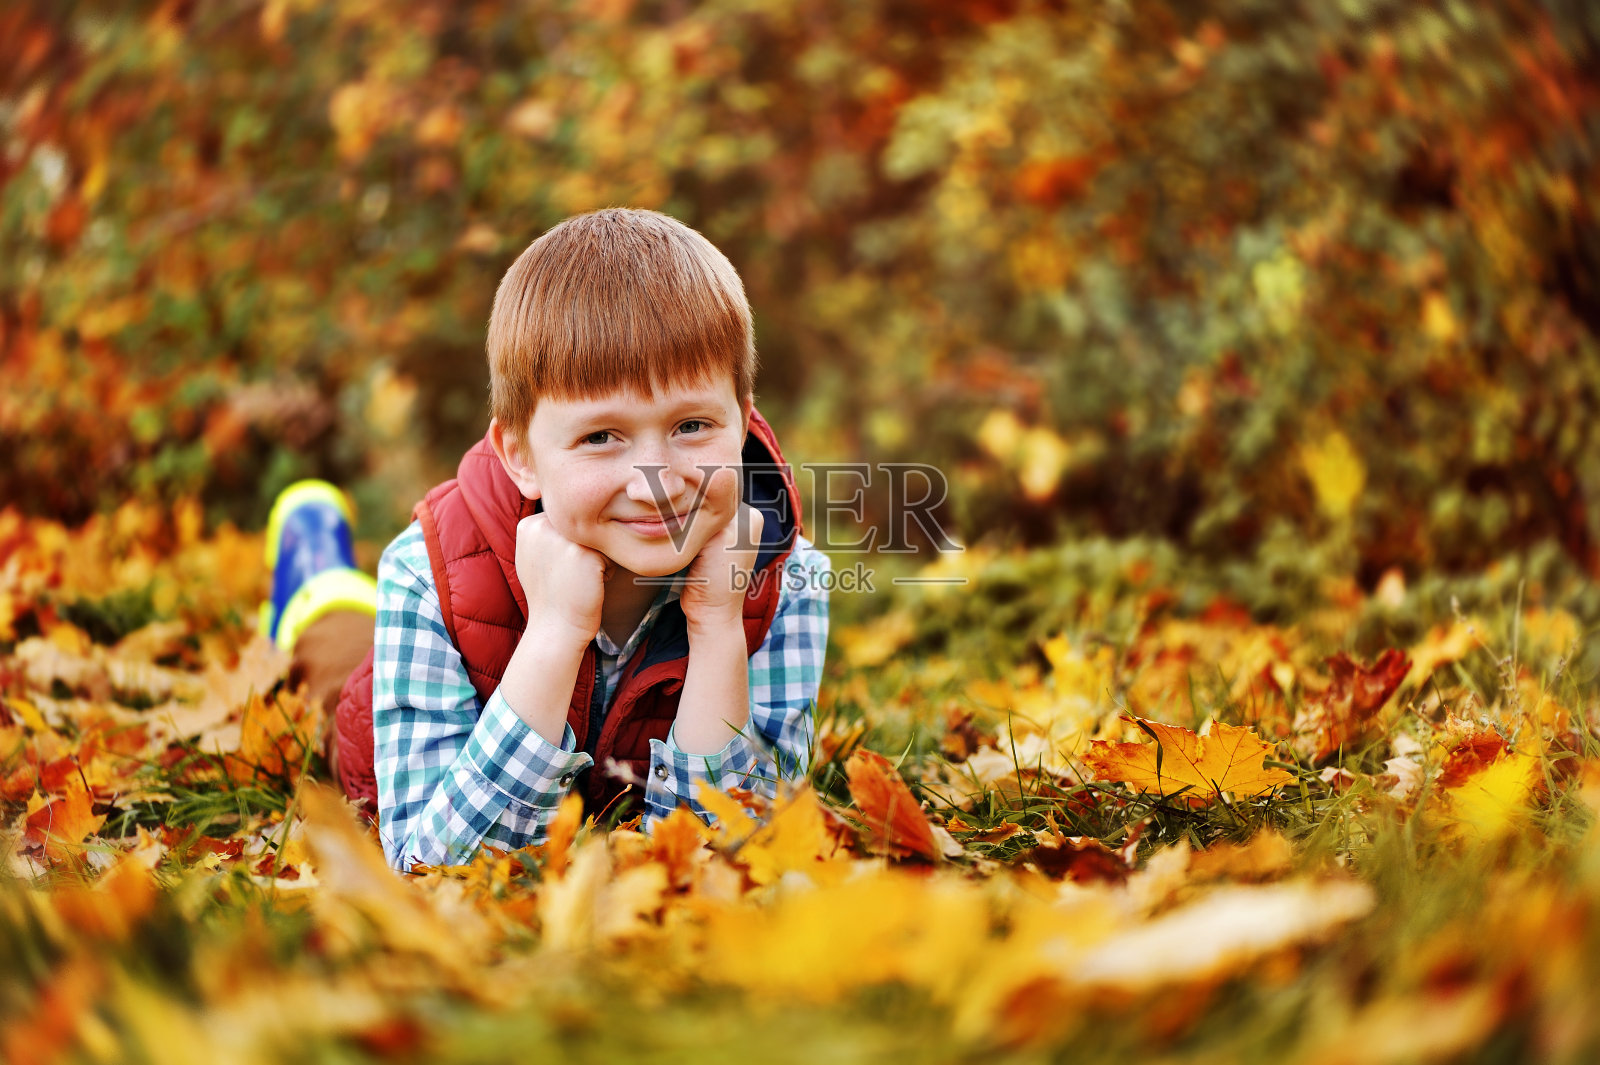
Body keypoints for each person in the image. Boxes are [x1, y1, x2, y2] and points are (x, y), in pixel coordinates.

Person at [261, 209, 830, 873]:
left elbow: (738, 853)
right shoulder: (426, 571)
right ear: (521, 454)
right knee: (333, 654)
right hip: (384, 693)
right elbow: (429, 862)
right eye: (600, 437)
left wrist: (718, 630)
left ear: (743, 418)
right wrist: (555, 634)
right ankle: (314, 564)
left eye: (693, 425)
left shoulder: (784, 578)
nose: (655, 484)